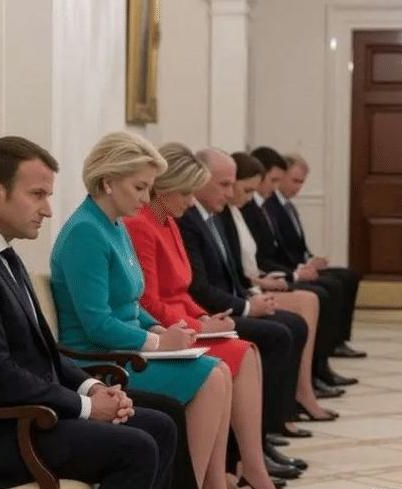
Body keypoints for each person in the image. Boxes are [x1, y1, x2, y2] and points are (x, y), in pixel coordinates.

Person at [0, 136, 176, 489]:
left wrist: (93, 388)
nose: (48, 210)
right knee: (137, 447)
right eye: (37, 194)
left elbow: (44, 352)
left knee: (161, 425)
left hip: (32, 415)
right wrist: (85, 407)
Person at [51, 132, 233, 489]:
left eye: (149, 188)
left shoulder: (114, 225)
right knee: (212, 377)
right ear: (108, 181)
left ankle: (208, 482)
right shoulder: (85, 232)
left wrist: (159, 329)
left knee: (221, 370)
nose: (147, 199)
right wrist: (158, 343)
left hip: (127, 350)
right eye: (139, 187)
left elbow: (132, 301)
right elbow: (97, 323)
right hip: (98, 360)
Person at [125, 142, 283, 489]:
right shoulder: (141, 225)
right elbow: (148, 300)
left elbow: (183, 289)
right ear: (164, 189)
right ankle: (227, 476)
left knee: (246, 350)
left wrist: (210, 319)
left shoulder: (169, 221)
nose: (190, 200)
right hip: (170, 329)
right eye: (185, 192)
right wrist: (199, 325)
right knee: (234, 358)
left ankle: (245, 467)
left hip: (185, 321)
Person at [176, 148, 310, 480]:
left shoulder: (205, 216)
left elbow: (216, 279)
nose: (231, 192)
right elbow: (193, 289)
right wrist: (219, 315)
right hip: (194, 318)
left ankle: (258, 447)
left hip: (201, 314)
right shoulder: (183, 220)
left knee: (284, 328)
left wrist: (248, 298)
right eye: (224, 184)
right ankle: (244, 459)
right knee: (272, 336)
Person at [220, 151, 337, 422]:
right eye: (247, 189)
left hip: (251, 286)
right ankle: (289, 404)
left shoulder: (237, 212)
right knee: (296, 316)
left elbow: (246, 265)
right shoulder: (224, 215)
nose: (253, 196)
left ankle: (305, 388)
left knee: (311, 300)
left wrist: (266, 281)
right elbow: (235, 271)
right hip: (241, 294)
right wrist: (251, 297)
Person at [242, 147, 358, 390]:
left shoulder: (264, 207)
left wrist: (307, 262)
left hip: (271, 275)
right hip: (264, 280)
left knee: (342, 279)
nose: (274, 187)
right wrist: (294, 273)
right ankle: (312, 374)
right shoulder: (252, 209)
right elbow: (262, 258)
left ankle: (322, 363)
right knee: (323, 291)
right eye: (274, 180)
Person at [269, 153, 364, 358]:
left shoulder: (289, 206)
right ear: (281, 176)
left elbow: (298, 246)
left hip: (301, 265)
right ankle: (326, 347)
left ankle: (339, 340)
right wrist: (300, 268)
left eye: (302, 182)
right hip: (288, 270)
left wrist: (311, 259)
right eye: (295, 181)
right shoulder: (270, 207)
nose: (298, 187)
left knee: (349, 275)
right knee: (332, 286)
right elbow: (278, 251)